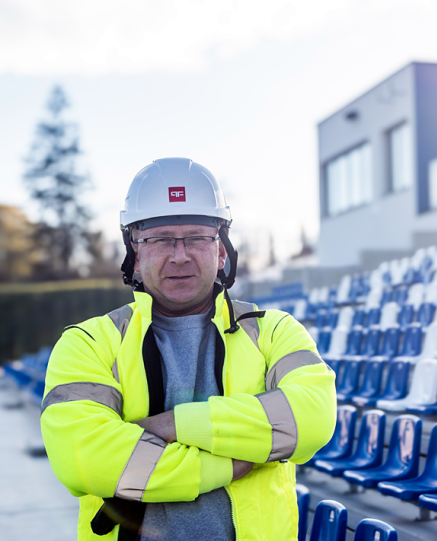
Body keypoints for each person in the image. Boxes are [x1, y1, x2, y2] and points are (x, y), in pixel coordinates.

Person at [41, 158, 337, 541]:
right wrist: (229, 465)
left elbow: (312, 419)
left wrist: (170, 426)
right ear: (135, 251)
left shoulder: (274, 331)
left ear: (221, 251)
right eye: (160, 239)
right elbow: (81, 460)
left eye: (197, 237)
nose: (180, 255)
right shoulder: (90, 342)